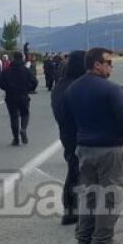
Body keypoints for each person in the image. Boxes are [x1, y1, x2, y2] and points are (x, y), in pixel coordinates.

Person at [64, 47, 123, 244]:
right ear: (96, 64)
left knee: (88, 196)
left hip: (84, 148)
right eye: (108, 62)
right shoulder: (111, 90)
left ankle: (84, 241)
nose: (111, 66)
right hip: (110, 149)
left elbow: (68, 122)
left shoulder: (73, 89)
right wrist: (120, 135)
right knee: (111, 198)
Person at [50, 50, 86, 226]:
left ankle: (71, 209)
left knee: (74, 170)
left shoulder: (61, 85)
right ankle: (71, 209)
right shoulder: (75, 86)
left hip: (66, 133)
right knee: (76, 172)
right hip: (76, 133)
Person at [0, 51, 38, 146]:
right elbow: (34, 81)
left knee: (14, 117)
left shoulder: (7, 70)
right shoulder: (26, 70)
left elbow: (0, 82)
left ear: (13, 58)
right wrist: (28, 89)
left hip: (10, 96)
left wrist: (7, 88)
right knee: (25, 114)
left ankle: (16, 139)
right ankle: (23, 129)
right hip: (23, 95)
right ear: (22, 58)